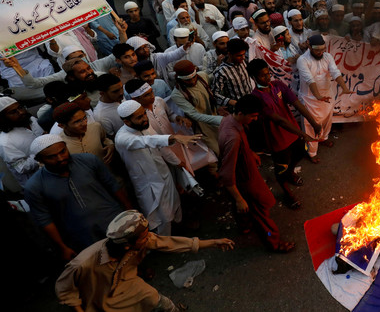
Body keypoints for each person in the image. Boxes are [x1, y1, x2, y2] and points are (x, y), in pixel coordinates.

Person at [55, 210, 235, 312]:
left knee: (160, 302)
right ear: (127, 245)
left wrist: (213, 242)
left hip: (130, 286)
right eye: (144, 236)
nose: (149, 237)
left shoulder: (139, 242)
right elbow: (64, 291)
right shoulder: (83, 263)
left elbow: (171, 243)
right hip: (99, 298)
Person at [24, 133, 132, 260]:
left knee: (131, 250)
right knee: (102, 263)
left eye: (62, 151)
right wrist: (62, 247)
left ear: (66, 147)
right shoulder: (34, 186)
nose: (60, 158)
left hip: (112, 218)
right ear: (40, 160)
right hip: (82, 235)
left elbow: (112, 185)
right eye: (51, 157)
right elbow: (45, 220)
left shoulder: (89, 161)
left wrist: (129, 210)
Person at [218, 95, 296, 252]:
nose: (255, 119)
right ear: (241, 113)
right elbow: (226, 174)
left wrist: (250, 153)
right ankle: (273, 242)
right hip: (244, 181)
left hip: (245, 172)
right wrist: (239, 199)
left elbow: (237, 150)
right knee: (261, 216)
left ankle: (245, 226)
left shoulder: (229, 121)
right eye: (253, 116)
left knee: (245, 211)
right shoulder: (232, 137)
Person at [114, 100, 200, 236]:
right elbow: (146, 141)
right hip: (148, 182)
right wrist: (174, 137)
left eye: (144, 114)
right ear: (127, 122)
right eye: (139, 117)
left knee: (175, 203)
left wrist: (178, 163)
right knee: (161, 216)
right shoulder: (122, 138)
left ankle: (180, 231)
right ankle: (165, 242)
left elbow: (160, 146)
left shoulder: (145, 126)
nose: (144, 119)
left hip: (163, 172)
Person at [248, 59, 319, 209]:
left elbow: (297, 104)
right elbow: (278, 120)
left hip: (293, 134)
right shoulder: (256, 97)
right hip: (277, 139)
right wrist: (303, 133)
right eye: (262, 76)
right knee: (281, 169)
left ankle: (291, 173)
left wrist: (313, 122)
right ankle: (287, 193)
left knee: (300, 153)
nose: (267, 78)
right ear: (254, 77)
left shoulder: (278, 85)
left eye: (268, 74)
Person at [296, 34, 351, 162]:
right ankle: (312, 152)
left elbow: (335, 72)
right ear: (309, 46)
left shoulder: (328, 56)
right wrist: (318, 96)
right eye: (317, 50)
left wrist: (344, 88)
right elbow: (309, 80)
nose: (320, 52)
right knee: (310, 126)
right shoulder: (303, 60)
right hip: (310, 99)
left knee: (327, 121)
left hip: (327, 96)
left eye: (323, 49)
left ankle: (323, 139)